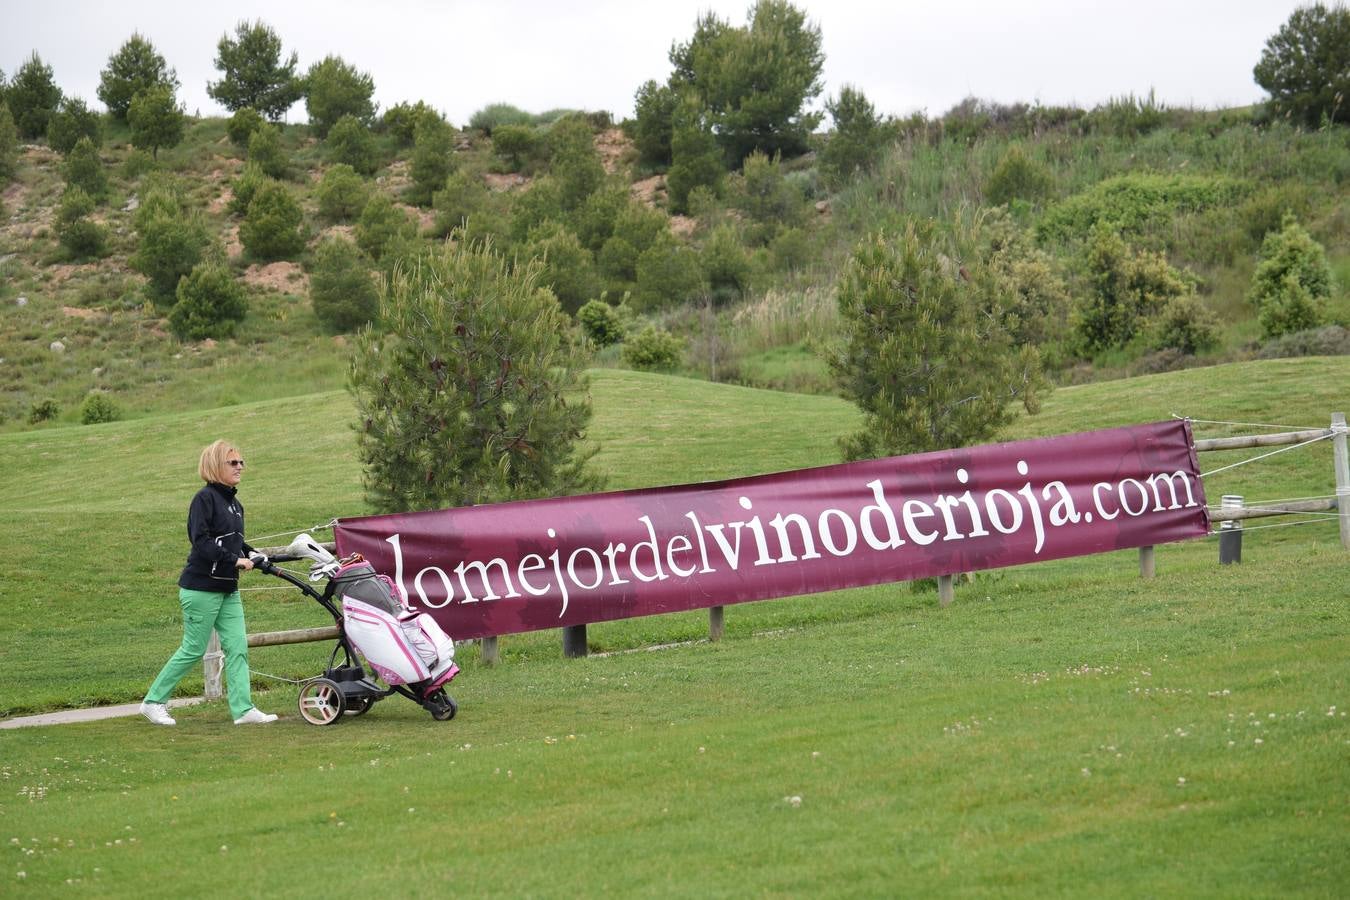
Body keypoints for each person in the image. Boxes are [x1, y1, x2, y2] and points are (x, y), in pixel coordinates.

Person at [140, 440, 278, 726]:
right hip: (200, 588)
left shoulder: (234, 504)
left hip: (227, 589)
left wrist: (250, 553)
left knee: (237, 647)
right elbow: (200, 540)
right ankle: (153, 702)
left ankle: (243, 710)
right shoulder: (203, 499)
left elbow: (233, 541)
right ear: (216, 466)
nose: (240, 467)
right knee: (193, 649)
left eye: (241, 462)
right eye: (233, 463)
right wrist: (235, 560)